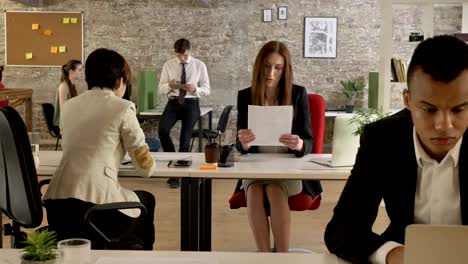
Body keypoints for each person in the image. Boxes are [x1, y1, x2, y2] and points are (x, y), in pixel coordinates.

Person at [325, 35, 468, 264]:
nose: (444, 125)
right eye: (429, 110)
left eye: (459, 109)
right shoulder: (382, 139)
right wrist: (392, 254)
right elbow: (342, 229)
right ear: (408, 100)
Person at [43, 48, 157, 250]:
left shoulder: (69, 106)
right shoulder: (122, 107)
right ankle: (136, 255)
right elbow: (145, 167)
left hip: (57, 205)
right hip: (94, 208)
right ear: (120, 81)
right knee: (146, 200)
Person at [237, 40, 321, 252]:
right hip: (256, 168)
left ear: (285, 69)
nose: (271, 72)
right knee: (255, 190)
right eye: (266, 66)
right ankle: (264, 256)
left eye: (278, 67)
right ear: (259, 66)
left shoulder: (298, 94)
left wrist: (300, 144)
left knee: (275, 189)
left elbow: (310, 142)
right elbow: (240, 146)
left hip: (288, 169)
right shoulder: (245, 95)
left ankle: (282, 256)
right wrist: (243, 143)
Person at [158, 38, 210, 188]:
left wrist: (195, 89)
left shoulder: (199, 65)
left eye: (185, 55)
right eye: (179, 55)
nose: (182, 58)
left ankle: (178, 176)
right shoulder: (168, 65)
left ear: (190, 51)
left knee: (184, 139)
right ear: (175, 53)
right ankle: (174, 160)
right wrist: (169, 84)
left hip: (191, 103)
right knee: (162, 130)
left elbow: (207, 89)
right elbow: (160, 89)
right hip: (173, 102)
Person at [53, 59, 83, 127]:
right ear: (71, 71)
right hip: (63, 122)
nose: (82, 73)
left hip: (70, 119)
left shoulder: (72, 85)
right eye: (80, 70)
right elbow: (63, 110)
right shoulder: (63, 86)